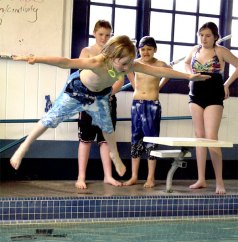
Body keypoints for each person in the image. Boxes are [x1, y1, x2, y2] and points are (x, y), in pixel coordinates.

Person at [10, 35, 210, 177]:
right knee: (49, 120)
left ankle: (114, 155)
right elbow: (66, 61)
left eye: (128, 64)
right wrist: (36, 59)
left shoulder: (130, 64)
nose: (126, 69)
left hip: (99, 96)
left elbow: (158, 72)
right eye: (122, 64)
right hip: (78, 91)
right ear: (111, 57)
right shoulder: (98, 62)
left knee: (108, 128)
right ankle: (23, 148)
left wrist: (189, 76)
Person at [184, 22, 238, 194]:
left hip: (214, 95)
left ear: (215, 37)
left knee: (211, 137)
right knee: (199, 136)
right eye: (201, 35)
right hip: (195, 94)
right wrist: (189, 75)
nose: (204, 38)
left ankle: (219, 182)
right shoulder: (194, 50)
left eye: (208, 35)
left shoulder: (220, 51)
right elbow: (186, 64)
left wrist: (226, 84)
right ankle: (201, 179)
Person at [76, 20, 124, 189]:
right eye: (101, 34)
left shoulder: (115, 55)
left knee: (106, 140)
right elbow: (82, 75)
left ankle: (108, 176)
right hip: (88, 100)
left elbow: (120, 78)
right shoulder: (87, 52)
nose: (104, 38)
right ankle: (81, 176)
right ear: (94, 33)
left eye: (107, 35)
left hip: (107, 101)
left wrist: (108, 94)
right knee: (86, 139)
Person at [123, 36, 171, 188]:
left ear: (155, 50)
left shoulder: (160, 64)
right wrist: (134, 84)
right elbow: (127, 71)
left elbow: (170, 73)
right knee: (135, 140)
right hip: (137, 104)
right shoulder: (135, 64)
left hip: (152, 105)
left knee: (151, 141)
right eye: (143, 49)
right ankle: (134, 176)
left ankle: (151, 177)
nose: (146, 52)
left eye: (149, 49)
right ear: (138, 50)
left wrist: (158, 87)